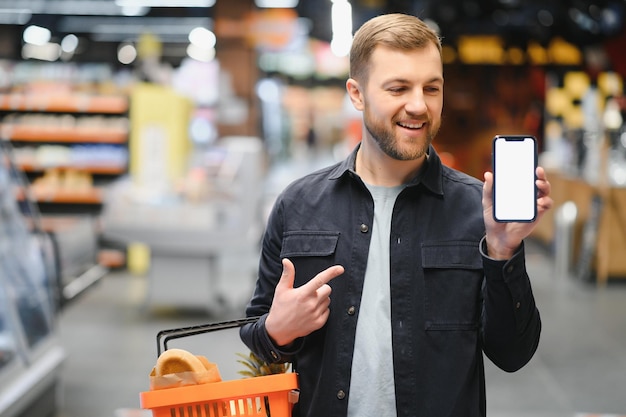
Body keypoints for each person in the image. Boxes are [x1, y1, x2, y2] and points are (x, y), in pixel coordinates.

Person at [240, 12, 553, 417]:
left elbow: (513, 354)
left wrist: (502, 250)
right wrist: (278, 330)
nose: (419, 105)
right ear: (357, 94)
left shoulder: (479, 211)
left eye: (432, 88)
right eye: (398, 88)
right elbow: (256, 332)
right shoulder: (298, 205)